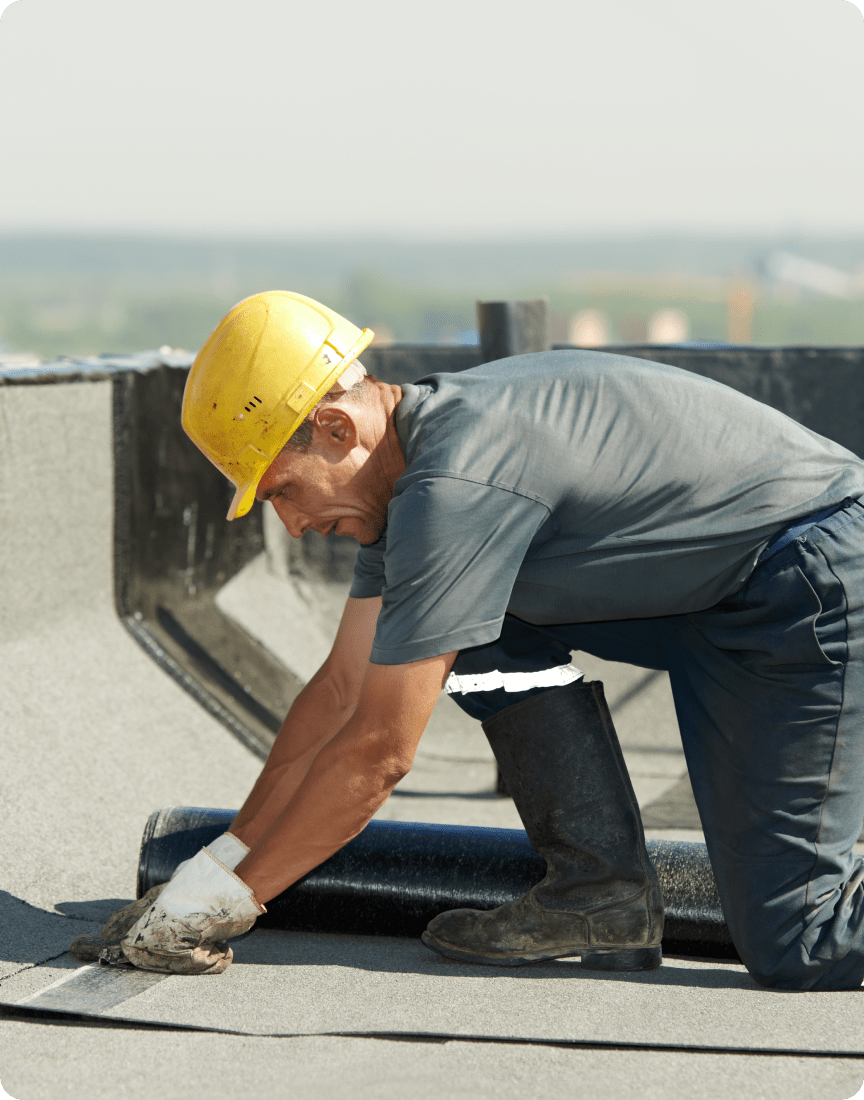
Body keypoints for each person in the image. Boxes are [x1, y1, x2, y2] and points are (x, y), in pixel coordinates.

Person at [114, 290, 864, 991]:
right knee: (464, 624)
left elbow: (377, 750)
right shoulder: (404, 484)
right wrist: (214, 868)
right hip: (716, 595)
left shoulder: (454, 488)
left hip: (811, 584)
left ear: (337, 430)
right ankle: (599, 897)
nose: (292, 525)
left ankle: (616, 893)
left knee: (800, 938)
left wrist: (223, 908)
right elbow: (342, 694)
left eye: (282, 490)